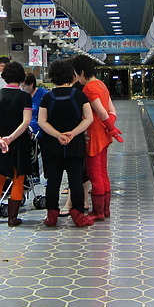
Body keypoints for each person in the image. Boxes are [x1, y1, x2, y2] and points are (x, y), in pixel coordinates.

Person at [38, 59, 95, 228]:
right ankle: (78, 216)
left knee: (53, 181)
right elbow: (89, 118)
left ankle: (52, 216)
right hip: (75, 145)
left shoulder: (47, 98)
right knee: (75, 181)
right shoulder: (79, 95)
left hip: (52, 146)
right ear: (71, 75)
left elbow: (42, 122)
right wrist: (72, 134)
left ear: (52, 77)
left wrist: (58, 135)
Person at [72, 55, 123, 221]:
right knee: (103, 173)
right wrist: (110, 127)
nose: (77, 79)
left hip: (93, 136)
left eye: (77, 74)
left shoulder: (89, 89)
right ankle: (106, 210)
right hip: (103, 136)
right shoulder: (102, 85)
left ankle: (99, 212)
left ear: (81, 72)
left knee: (95, 176)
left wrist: (110, 128)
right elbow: (111, 111)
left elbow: (101, 112)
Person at [0, 61, 33, 227]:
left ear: (4, 76)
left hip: (0, 143)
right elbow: (26, 122)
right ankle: (12, 218)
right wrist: (11, 138)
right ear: (21, 77)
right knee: (18, 178)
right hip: (20, 143)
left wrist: (0, 139)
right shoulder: (25, 97)